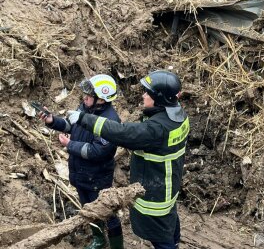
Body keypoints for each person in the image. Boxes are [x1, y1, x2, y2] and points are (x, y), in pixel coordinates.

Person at [66, 70, 190, 249]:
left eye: (148, 92)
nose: (143, 95)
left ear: (160, 98)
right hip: (168, 187)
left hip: (155, 195)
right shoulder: (179, 116)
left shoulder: (156, 128)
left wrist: (85, 119)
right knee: (170, 226)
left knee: (161, 239)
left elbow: (124, 133)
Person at [39, 74, 124, 249]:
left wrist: (70, 145)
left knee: (107, 214)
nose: (84, 97)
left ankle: (117, 246)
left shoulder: (110, 121)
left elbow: (97, 151)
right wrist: (52, 120)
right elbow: (71, 125)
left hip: (97, 178)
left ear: (101, 98)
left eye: (89, 95)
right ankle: (99, 240)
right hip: (82, 175)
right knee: (88, 210)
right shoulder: (86, 107)